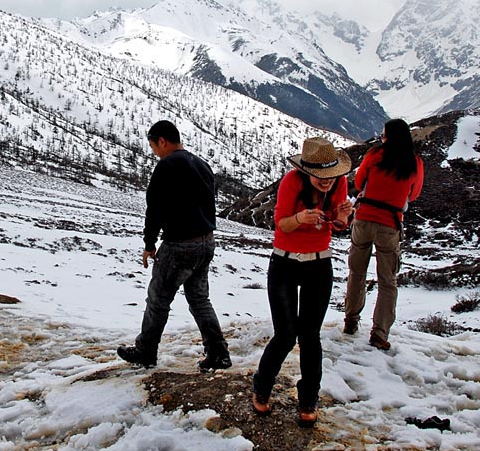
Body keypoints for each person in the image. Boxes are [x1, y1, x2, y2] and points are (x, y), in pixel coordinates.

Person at [252, 136, 353, 426]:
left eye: (332, 177)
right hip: (284, 261)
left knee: (310, 336)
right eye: (321, 178)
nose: (328, 182)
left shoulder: (339, 183)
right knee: (285, 334)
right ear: (307, 172)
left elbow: (336, 224)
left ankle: (308, 399)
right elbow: (281, 223)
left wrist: (342, 218)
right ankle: (262, 386)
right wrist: (300, 219)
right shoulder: (291, 183)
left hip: (319, 263)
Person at [117, 120, 231, 372]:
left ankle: (146, 350)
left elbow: (154, 209)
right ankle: (218, 353)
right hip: (206, 241)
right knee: (200, 299)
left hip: (179, 244)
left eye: (153, 146)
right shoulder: (200, 163)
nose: (154, 151)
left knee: (158, 298)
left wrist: (149, 243)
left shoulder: (166, 166)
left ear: (162, 141)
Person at [343, 118, 425, 350]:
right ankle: (379, 332)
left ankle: (351, 320)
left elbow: (359, 183)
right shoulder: (414, 162)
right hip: (390, 224)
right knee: (387, 280)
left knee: (356, 272)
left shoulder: (374, 155)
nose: (382, 137)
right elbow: (415, 193)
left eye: (384, 134)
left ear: (388, 136)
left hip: (364, 218)